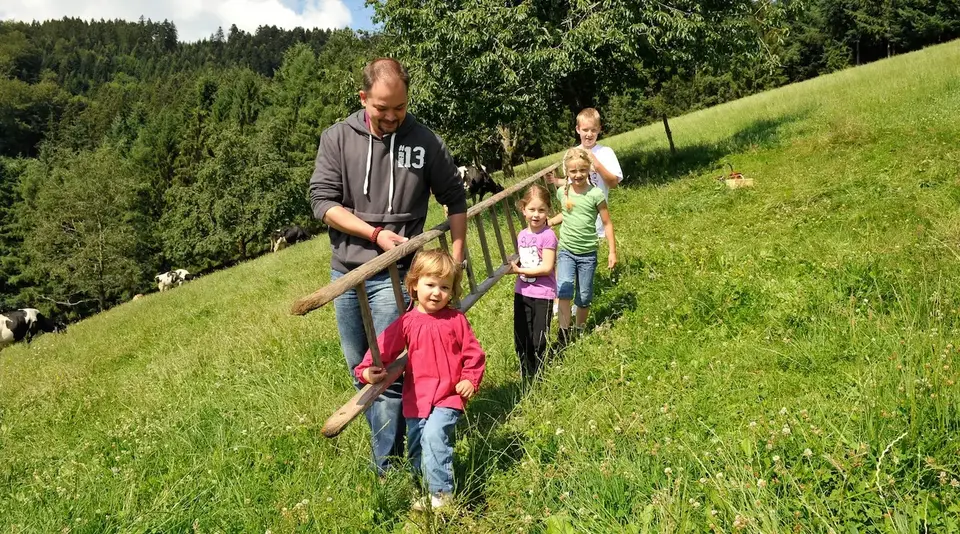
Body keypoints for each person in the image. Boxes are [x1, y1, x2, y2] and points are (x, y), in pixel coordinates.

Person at [309, 58, 468, 475]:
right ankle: (396, 453)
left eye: (400, 106)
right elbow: (322, 203)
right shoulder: (337, 138)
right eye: (383, 108)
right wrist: (375, 235)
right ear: (363, 99)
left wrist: (457, 255)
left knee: (388, 375)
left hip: (396, 275)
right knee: (362, 369)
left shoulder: (425, 141)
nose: (394, 116)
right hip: (347, 275)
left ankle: (392, 466)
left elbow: (455, 197)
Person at [355, 250, 486, 511]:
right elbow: (382, 348)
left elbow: (474, 353)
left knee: (435, 436)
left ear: (452, 291)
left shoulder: (456, 320)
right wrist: (366, 369)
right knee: (417, 445)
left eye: (445, 287)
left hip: (449, 395)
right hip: (417, 399)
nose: (437, 293)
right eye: (430, 284)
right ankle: (422, 488)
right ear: (414, 284)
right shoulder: (407, 322)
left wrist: (470, 380)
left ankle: (441, 495)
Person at [547, 147, 617, 345]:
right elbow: (567, 214)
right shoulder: (563, 192)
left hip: (587, 254)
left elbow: (607, 223)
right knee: (564, 289)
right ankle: (563, 332)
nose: (577, 175)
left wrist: (612, 251)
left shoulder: (595, 195)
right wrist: (551, 221)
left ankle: (579, 329)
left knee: (584, 296)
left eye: (582, 171)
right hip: (567, 251)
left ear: (589, 170)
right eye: (573, 171)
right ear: (567, 172)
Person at [507, 184, 557, 380]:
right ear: (523, 209)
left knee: (539, 337)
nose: (536, 215)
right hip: (522, 291)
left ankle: (539, 372)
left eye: (541, 210)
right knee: (521, 334)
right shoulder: (522, 235)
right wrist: (511, 268)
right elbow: (525, 258)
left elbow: (546, 267)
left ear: (548, 211)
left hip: (542, 293)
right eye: (532, 209)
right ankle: (524, 368)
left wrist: (520, 270)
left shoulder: (548, 236)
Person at [575, 108, 624, 239]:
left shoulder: (606, 152)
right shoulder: (572, 154)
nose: (589, 134)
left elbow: (613, 183)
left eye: (593, 130)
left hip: (600, 225)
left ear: (599, 129)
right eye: (585, 130)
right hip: (578, 225)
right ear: (578, 129)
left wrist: (596, 164)